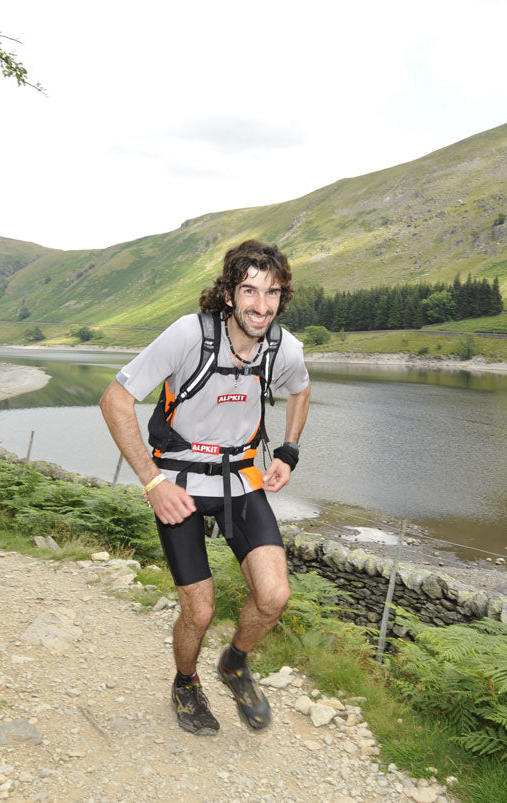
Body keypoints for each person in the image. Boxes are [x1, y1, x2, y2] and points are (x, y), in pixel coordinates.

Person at [99, 239, 310, 735]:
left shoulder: (284, 347)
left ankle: (234, 663)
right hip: (179, 482)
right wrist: (152, 482)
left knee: (274, 595)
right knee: (200, 608)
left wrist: (288, 451)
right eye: (250, 291)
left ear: (282, 297)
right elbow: (115, 400)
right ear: (230, 294)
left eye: (273, 293)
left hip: (242, 480)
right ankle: (185, 682)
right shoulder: (188, 335)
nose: (262, 305)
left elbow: (300, 388)